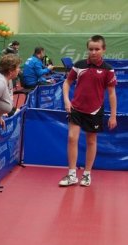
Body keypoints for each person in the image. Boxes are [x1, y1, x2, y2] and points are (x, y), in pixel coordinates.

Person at [59, 35, 117, 187]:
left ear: (103, 50)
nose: (93, 52)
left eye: (97, 49)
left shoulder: (108, 69)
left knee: (91, 141)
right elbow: (67, 83)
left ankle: (86, 174)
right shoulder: (79, 65)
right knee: (72, 138)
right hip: (76, 108)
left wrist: (113, 116)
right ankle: (72, 175)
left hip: (95, 110)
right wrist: (66, 100)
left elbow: (111, 93)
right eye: (91, 49)